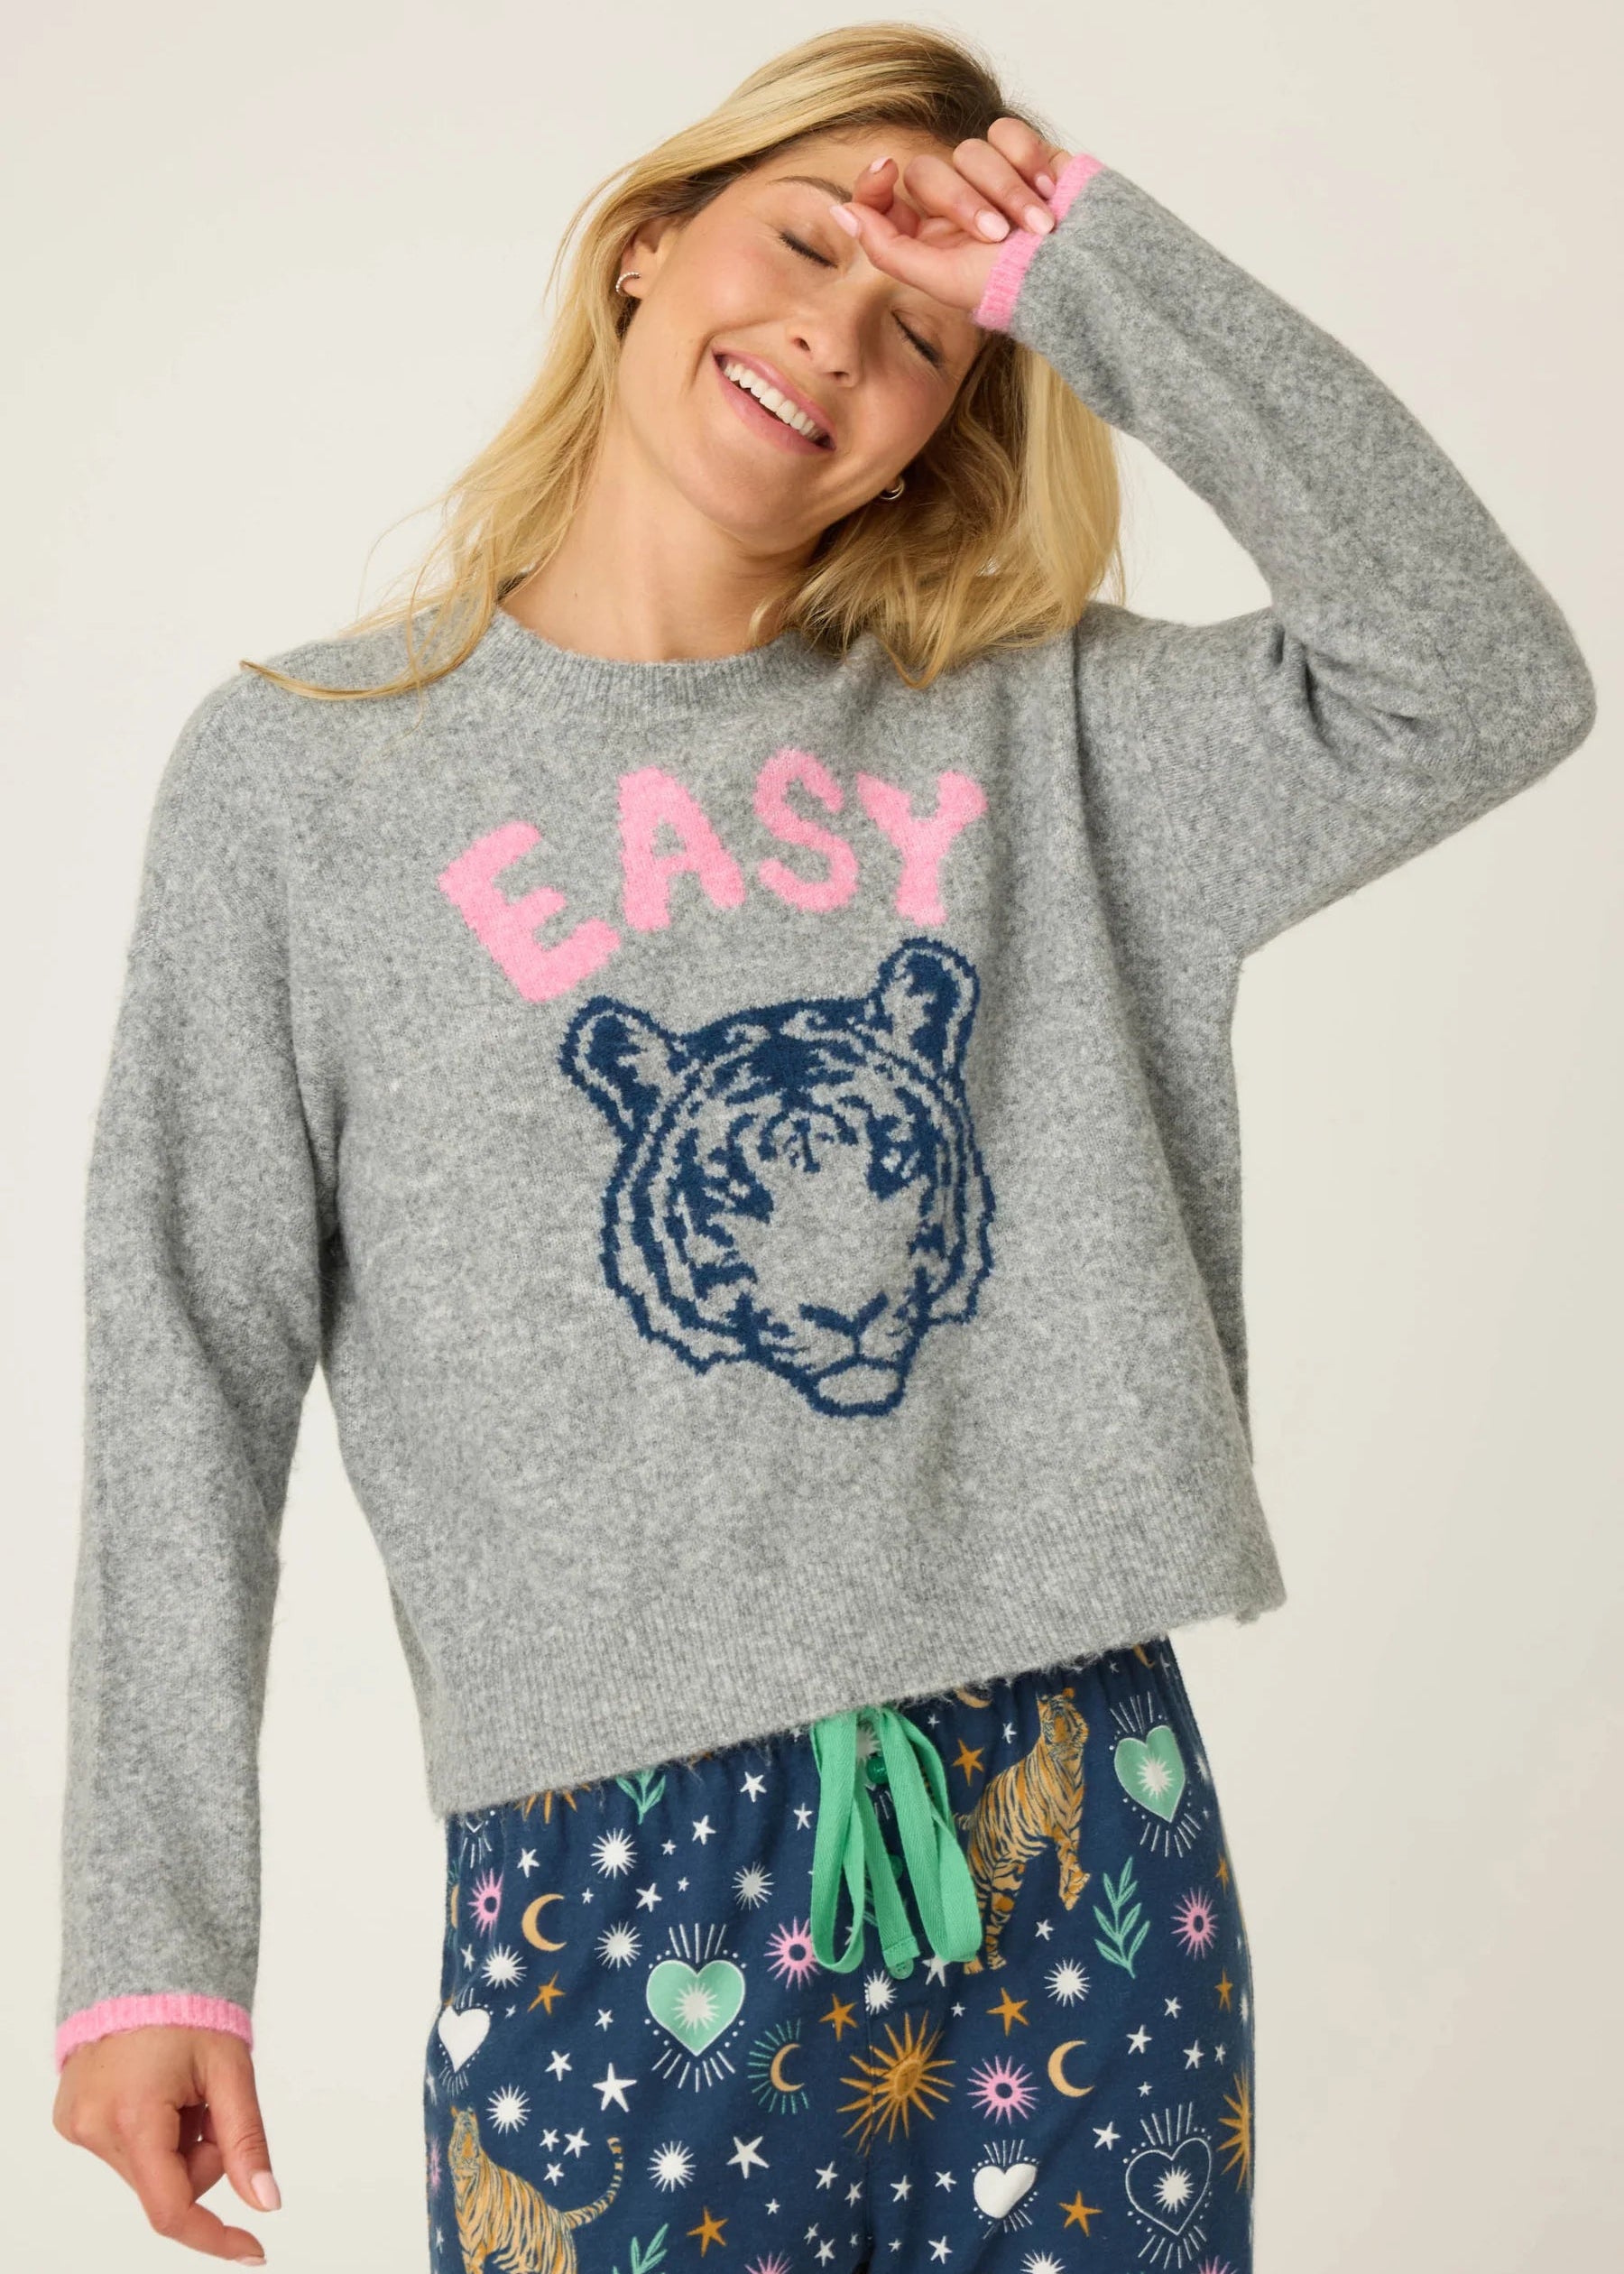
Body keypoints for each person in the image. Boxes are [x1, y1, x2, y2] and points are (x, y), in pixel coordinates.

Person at [50, 21, 1595, 2274]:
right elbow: (186, 1337)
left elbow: (1482, 678)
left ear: (952, 418)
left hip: (1072, 1810)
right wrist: (151, 1941)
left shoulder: (1054, 735)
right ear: (646, 247)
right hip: (611, 1863)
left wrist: (1089, 265)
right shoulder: (307, 778)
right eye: (802, 242)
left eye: (927, 329)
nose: (839, 340)